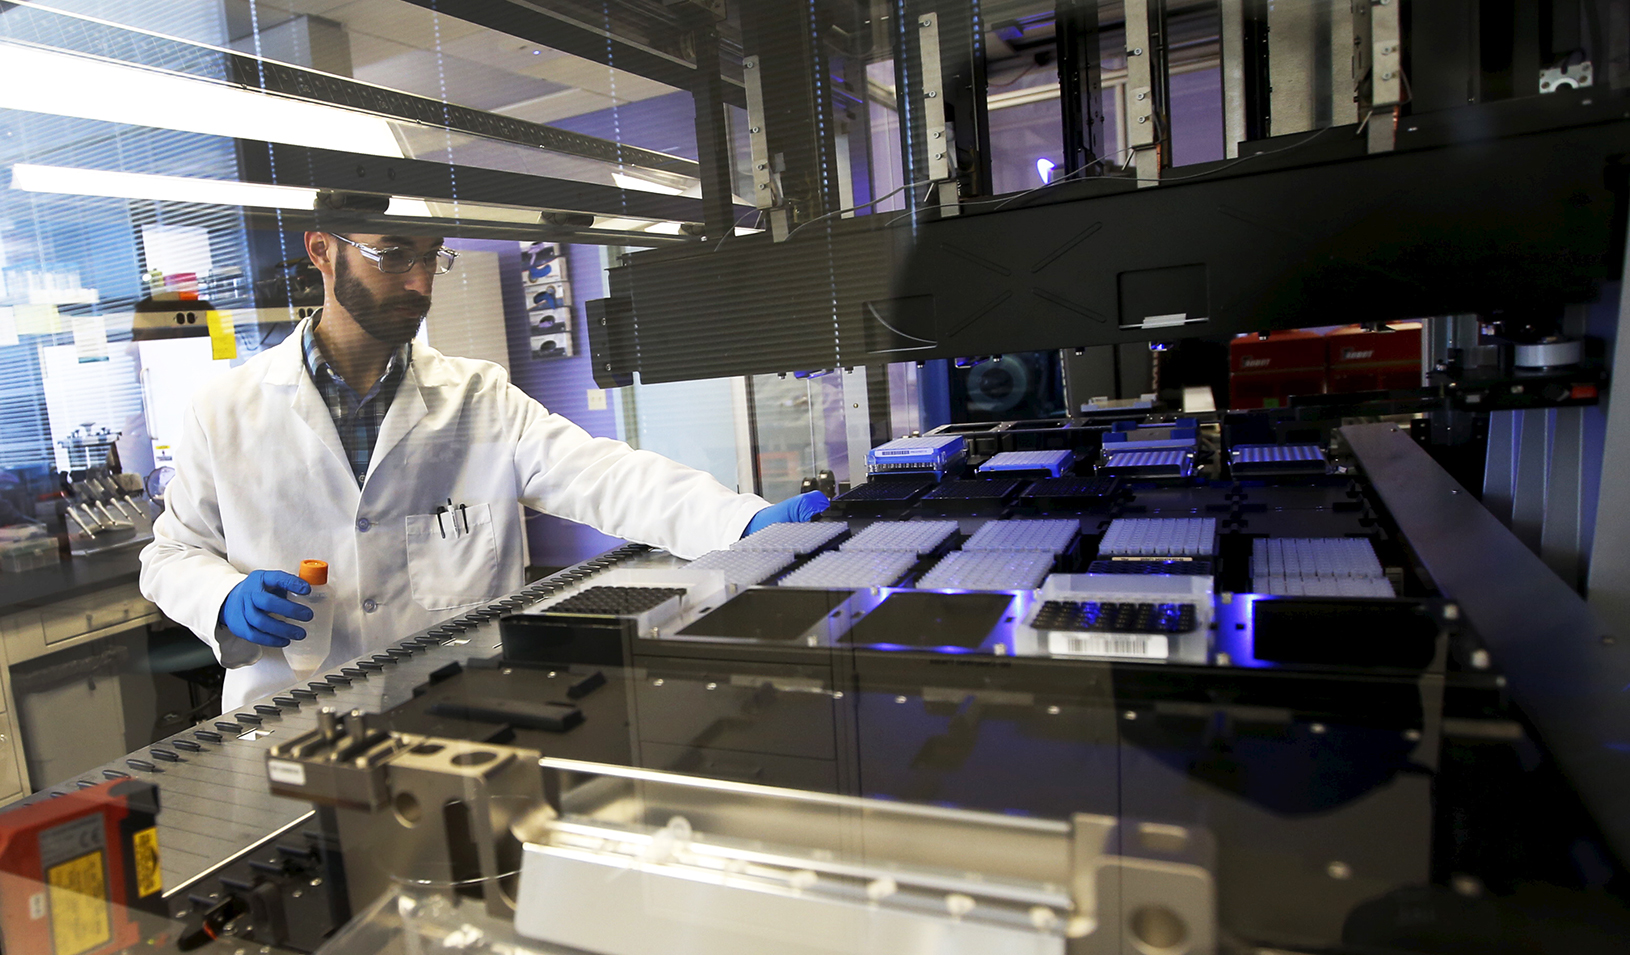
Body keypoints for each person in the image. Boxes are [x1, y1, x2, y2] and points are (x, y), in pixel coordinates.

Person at [140, 231, 827, 712]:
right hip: (287, 730)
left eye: (433, 255)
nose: (420, 281)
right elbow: (171, 554)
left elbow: (605, 475)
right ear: (323, 249)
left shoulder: (479, 398)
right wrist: (223, 600)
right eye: (395, 253)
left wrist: (745, 521)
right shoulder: (223, 411)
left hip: (461, 723)